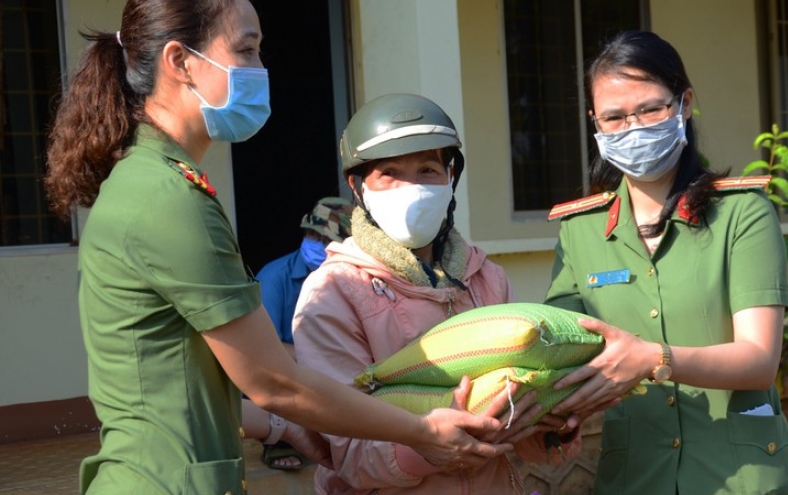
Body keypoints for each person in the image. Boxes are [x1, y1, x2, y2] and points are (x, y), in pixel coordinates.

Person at [42, 1, 511, 493]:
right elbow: (275, 382)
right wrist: (422, 431)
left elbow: (192, 382)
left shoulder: (153, 183)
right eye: (246, 50)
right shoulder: (167, 199)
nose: (261, 70)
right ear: (180, 61)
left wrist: (285, 427)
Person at [543, 30, 788, 494]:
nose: (633, 127)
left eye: (650, 109)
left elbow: (759, 359)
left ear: (684, 104)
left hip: (740, 478)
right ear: (594, 123)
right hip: (635, 477)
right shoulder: (579, 230)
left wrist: (652, 359)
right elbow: (564, 353)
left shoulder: (741, 213)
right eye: (614, 117)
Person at [291, 93, 581, 495]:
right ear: (358, 188)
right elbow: (348, 451)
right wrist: (428, 449)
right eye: (389, 173)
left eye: (428, 169)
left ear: (450, 179)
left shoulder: (487, 279)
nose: (411, 187)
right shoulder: (333, 293)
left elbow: (516, 429)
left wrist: (549, 427)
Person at [254, 196, 353, 470]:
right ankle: (278, 439)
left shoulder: (354, 281)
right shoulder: (274, 279)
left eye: (325, 239)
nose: (315, 243)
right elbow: (260, 351)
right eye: (311, 234)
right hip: (288, 377)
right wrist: (321, 360)